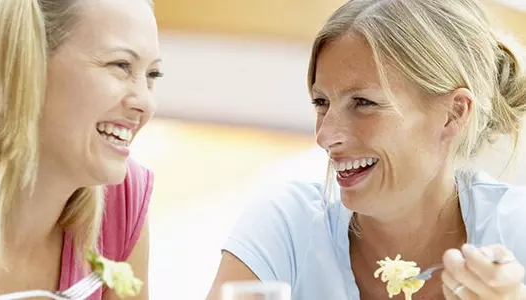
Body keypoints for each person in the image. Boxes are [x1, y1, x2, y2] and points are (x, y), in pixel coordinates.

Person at [207, 0, 526, 299]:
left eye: (363, 103)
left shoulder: (514, 229)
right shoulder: (287, 225)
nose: (325, 135)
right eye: (322, 103)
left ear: (454, 114)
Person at [0, 0, 161, 299]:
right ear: (30, 62)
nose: (146, 103)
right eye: (121, 66)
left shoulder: (120, 200)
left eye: (152, 75)